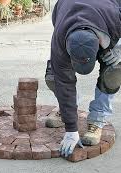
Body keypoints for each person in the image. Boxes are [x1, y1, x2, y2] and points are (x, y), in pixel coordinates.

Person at [45, 0, 121, 157]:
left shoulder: (114, 17)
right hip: (69, 18)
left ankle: (97, 119)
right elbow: (63, 81)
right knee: (54, 76)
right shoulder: (60, 39)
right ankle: (67, 108)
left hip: (107, 23)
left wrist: (119, 48)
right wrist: (71, 129)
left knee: (115, 71)